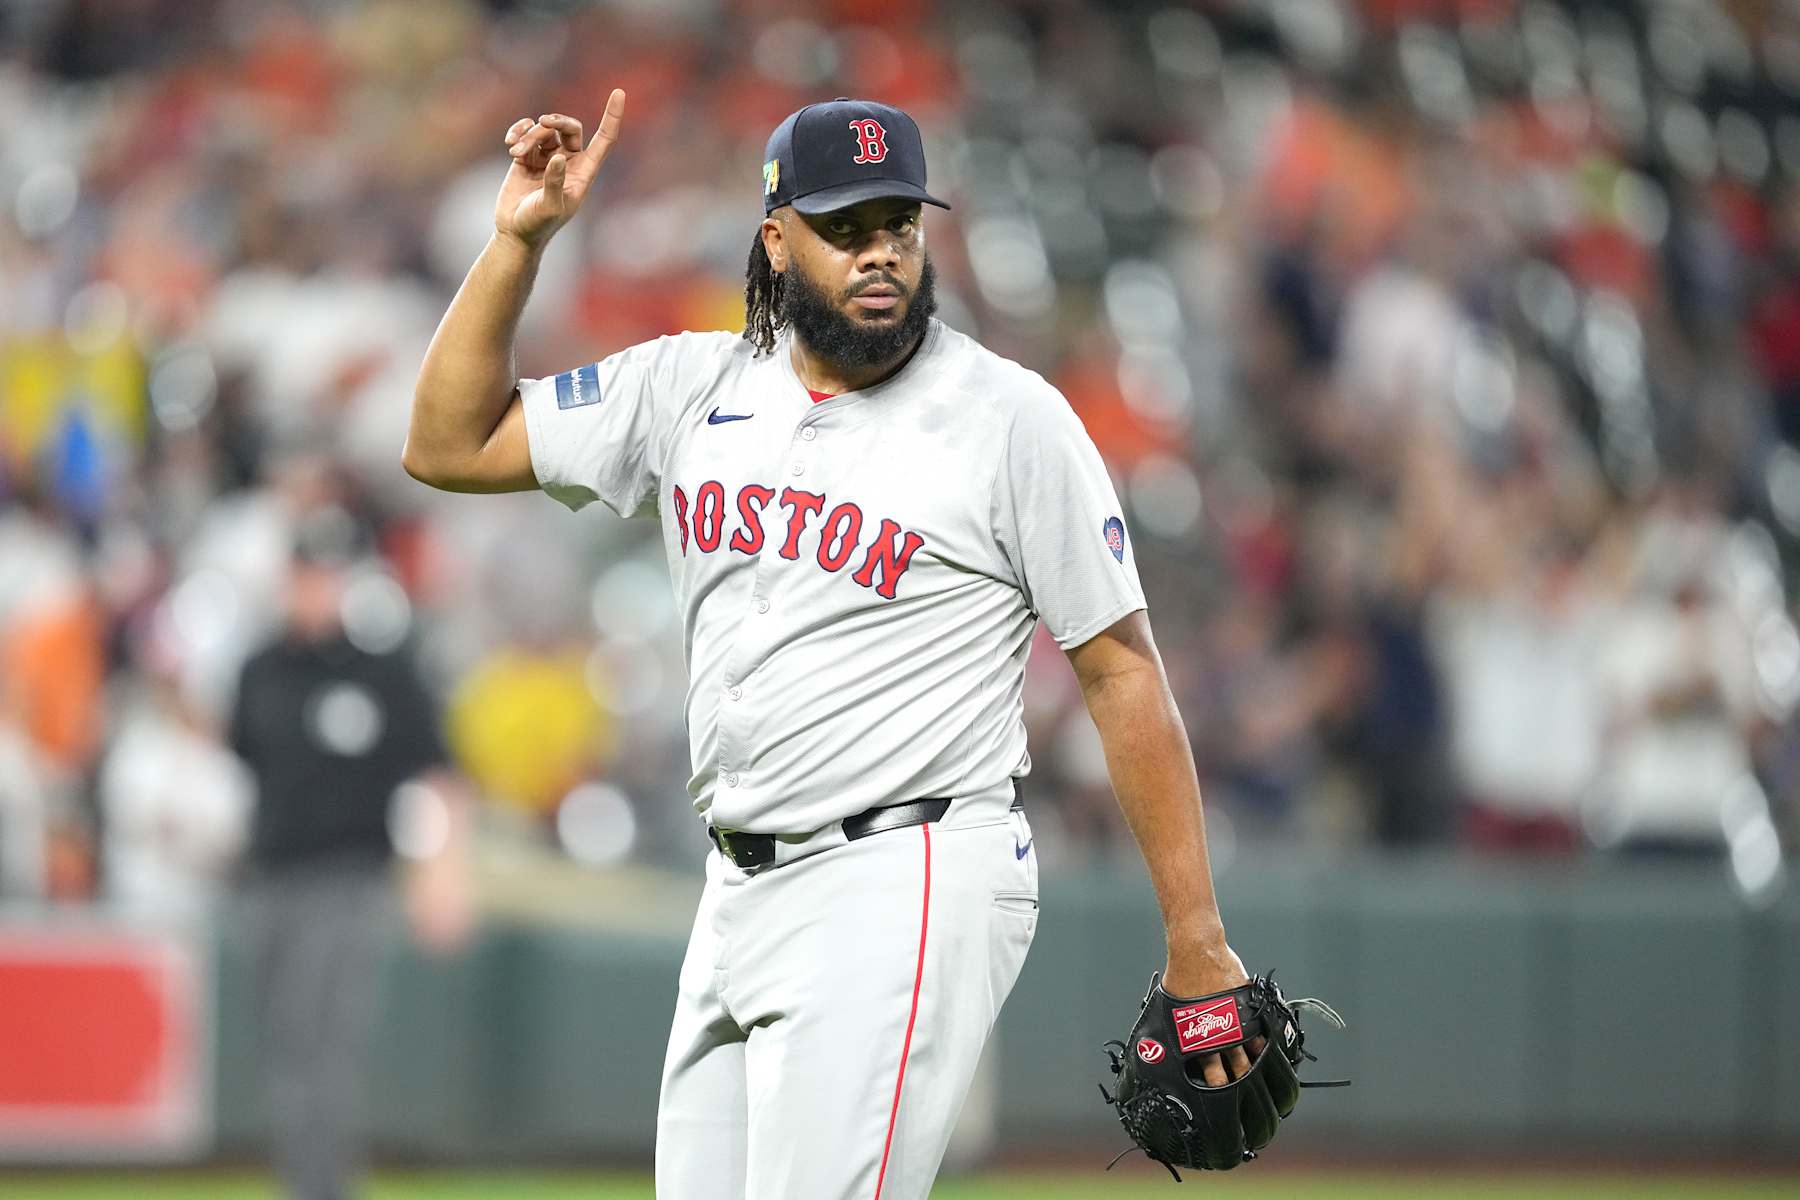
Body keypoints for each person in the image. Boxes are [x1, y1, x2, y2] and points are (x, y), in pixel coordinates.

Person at [406, 92, 1258, 1199]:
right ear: (776, 239)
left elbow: (1121, 670)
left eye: (897, 225)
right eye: (845, 228)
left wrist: (1197, 937)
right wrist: (519, 242)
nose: (880, 255)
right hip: (736, 884)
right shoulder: (693, 387)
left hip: (904, 867)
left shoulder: (1010, 420)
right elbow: (445, 442)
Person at [227, 507, 468, 1200]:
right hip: (271, 879)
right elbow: (243, 764)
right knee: (286, 1048)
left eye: (330, 576)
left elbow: (437, 775)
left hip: (350, 879)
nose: (318, 590)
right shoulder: (260, 669)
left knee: (321, 1048)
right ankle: (307, 1184)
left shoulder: (383, 672)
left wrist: (442, 874)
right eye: (308, 575)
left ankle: (320, 1191)